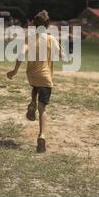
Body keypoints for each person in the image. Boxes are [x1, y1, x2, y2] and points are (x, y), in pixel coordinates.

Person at [7, 10, 63, 153]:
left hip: (31, 76)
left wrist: (14, 71)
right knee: (42, 108)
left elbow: (21, 54)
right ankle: (42, 136)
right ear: (48, 24)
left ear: (34, 24)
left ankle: (32, 102)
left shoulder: (29, 38)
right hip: (45, 77)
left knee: (35, 85)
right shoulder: (51, 39)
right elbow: (62, 56)